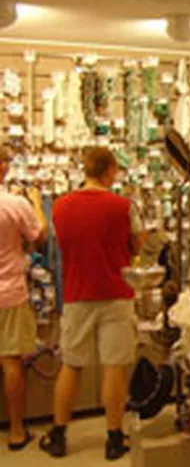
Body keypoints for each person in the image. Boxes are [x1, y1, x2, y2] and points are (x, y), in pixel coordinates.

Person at [40, 147, 144, 461]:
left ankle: (59, 434)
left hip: (77, 293)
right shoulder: (124, 206)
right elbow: (137, 244)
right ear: (109, 170)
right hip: (117, 292)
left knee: (71, 364)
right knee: (114, 366)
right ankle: (114, 437)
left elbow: (60, 245)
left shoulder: (61, 207)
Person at [0, 146, 46, 451]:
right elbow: (39, 235)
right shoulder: (13, 204)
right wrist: (37, 204)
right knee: (11, 362)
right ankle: (17, 431)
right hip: (9, 293)